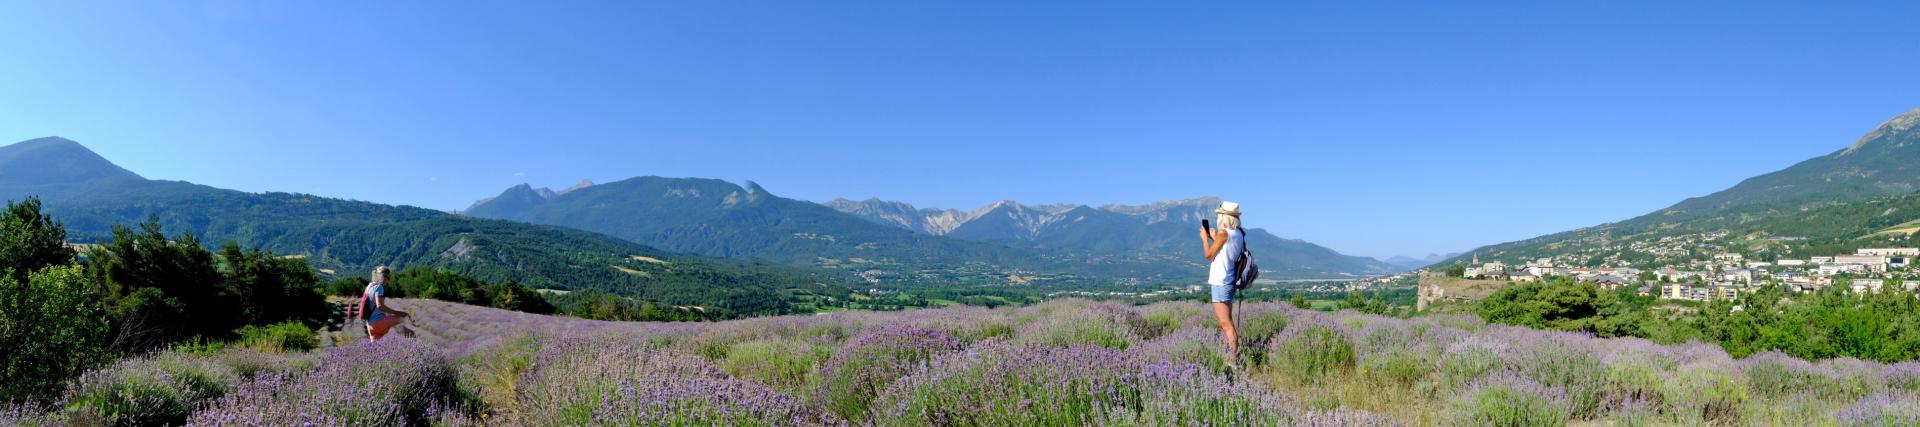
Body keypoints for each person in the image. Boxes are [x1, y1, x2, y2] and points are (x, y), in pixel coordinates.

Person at [1200, 201, 1245, 363]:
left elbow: (1209, 255)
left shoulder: (1224, 233)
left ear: (1224, 217)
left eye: (1220, 215)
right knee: (1227, 322)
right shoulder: (1238, 233)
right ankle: (1232, 356)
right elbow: (1225, 252)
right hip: (1229, 280)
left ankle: (1232, 360)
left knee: (1226, 324)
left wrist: (1205, 239)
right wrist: (1214, 238)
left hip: (1221, 281)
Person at [362, 266, 411, 341]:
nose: (388, 281)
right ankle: (410, 344)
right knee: (404, 317)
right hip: (378, 322)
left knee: (374, 349)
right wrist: (396, 312)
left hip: (369, 325)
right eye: (388, 278)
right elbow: (379, 306)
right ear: (383, 277)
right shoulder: (379, 287)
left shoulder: (369, 286)